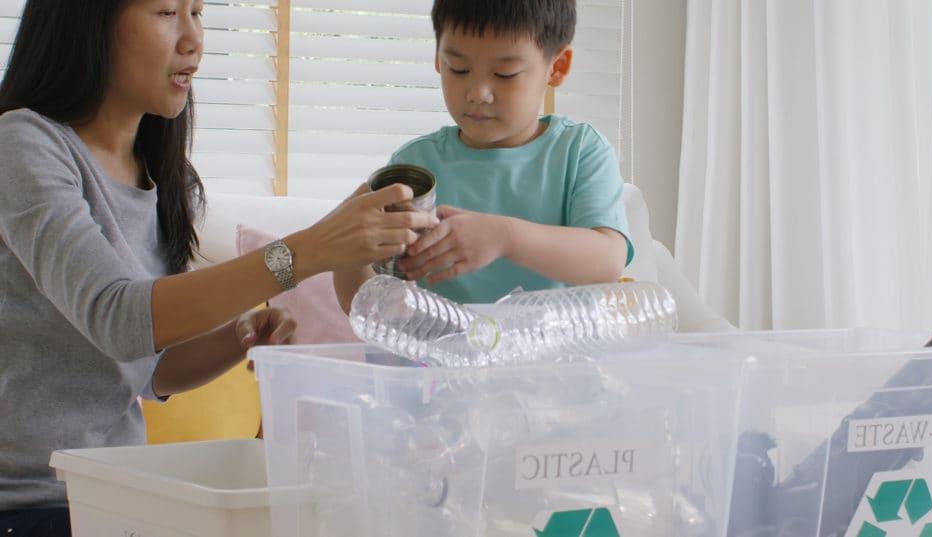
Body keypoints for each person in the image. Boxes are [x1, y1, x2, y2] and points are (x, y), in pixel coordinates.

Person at [0, 1, 435, 535]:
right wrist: (312, 249)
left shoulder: (162, 175)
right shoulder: (23, 144)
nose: (193, 40)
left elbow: (152, 368)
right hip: (27, 504)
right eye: (166, 12)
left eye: (198, 12)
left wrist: (237, 338)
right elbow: (116, 317)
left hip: (120, 493)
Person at [335, 0, 634, 310]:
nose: (478, 93)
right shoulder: (416, 166)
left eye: (505, 74)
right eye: (459, 69)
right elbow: (370, 307)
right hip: (444, 354)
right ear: (439, 59)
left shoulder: (580, 151)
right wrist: (348, 250)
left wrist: (505, 238)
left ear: (556, 67)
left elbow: (608, 261)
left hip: (558, 355)